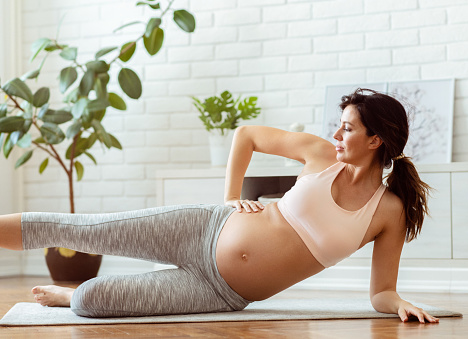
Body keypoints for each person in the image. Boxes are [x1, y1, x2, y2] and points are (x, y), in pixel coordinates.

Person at [0, 88, 438, 323]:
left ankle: (66, 295)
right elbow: (245, 134)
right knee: (80, 230)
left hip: (219, 292)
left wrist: (398, 303)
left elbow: (381, 291)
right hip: (203, 229)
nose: (337, 135)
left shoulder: (388, 211)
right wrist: (232, 198)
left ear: (375, 139)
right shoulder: (320, 154)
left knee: (90, 301)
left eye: (347, 129)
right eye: (339, 127)